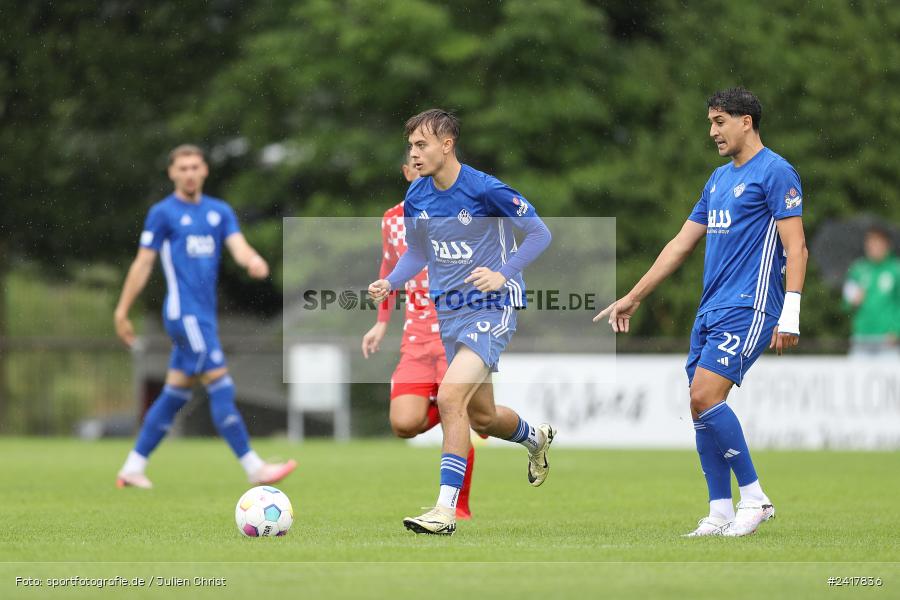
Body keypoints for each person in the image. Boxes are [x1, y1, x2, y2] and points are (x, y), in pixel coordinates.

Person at [595, 88, 808, 537]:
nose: (712, 131)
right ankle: (720, 510)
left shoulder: (775, 172)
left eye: (719, 121)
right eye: (711, 122)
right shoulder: (716, 181)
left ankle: (755, 498)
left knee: (705, 396)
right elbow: (680, 244)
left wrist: (790, 313)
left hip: (749, 307)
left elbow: (796, 246)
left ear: (746, 121)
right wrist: (634, 296)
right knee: (699, 406)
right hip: (711, 309)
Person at [368, 109, 555, 536]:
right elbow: (417, 253)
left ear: (447, 145)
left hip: (491, 306)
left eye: (422, 145)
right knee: (484, 417)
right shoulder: (418, 198)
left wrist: (502, 273)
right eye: (411, 145)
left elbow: (540, 232)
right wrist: (391, 282)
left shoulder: (484, 189)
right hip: (449, 311)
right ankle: (535, 439)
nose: (413, 154)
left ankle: (444, 510)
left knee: (450, 398)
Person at [113, 144, 296, 489]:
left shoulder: (218, 211)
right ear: (172, 173)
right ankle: (254, 467)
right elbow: (143, 263)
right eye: (182, 168)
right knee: (220, 384)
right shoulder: (163, 213)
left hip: (204, 317)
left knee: (176, 392)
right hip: (184, 316)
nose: (189, 173)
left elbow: (238, 245)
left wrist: (252, 260)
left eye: (195, 166)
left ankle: (132, 467)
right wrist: (122, 310)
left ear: (205, 170)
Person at [361, 152, 478, 519]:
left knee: (455, 409)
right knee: (404, 424)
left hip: (455, 332)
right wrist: (381, 321)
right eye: (415, 165)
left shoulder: (457, 210)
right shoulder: (393, 219)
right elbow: (389, 264)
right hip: (415, 338)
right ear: (406, 171)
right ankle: (457, 412)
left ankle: (458, 507)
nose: (422, 169)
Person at [842, 225, 900, 357]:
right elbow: (845, 304)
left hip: (887, 339)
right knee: (855, 376)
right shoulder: (858, 269)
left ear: (887, 244)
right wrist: (852, 300)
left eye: (877, 242)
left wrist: (897, 330)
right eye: (870, 242)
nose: (873, 246)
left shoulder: (896, 270)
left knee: (890, 377)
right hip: (861, 337)